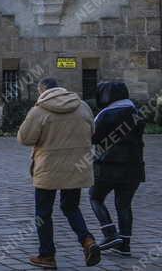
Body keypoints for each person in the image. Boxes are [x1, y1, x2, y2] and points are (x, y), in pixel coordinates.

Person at [18, 78, 101, 268]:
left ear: (42, 91)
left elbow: (25, 138)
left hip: (48, 169)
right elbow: (92, 131)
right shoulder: (83, 107)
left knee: (43, 213)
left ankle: (47, 256)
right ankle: (88, 241)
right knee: (71, 207)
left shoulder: (39, 110)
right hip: (77, 166)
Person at [89, 80, 145, 257]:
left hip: (108, 166)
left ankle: (109, 233)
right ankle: (125, 244)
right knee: (124, 205)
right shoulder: (136, 112)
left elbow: (94, 137)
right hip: (134, 168)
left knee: (95, 197)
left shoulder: (105, 115)